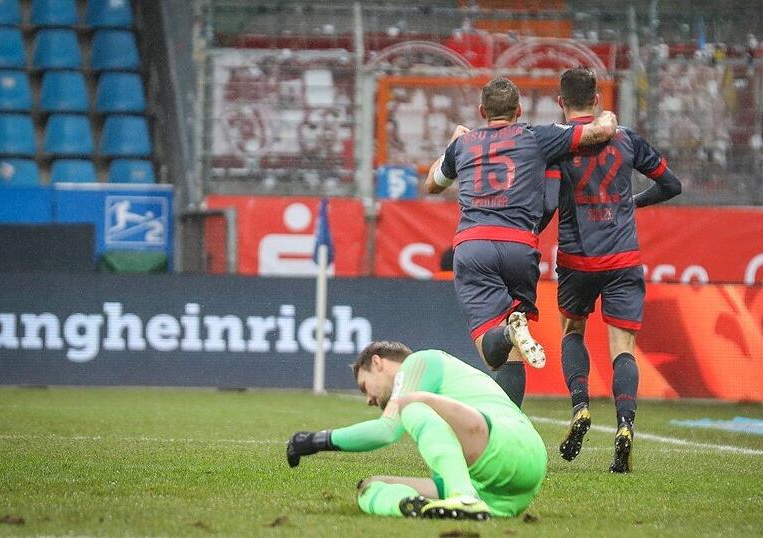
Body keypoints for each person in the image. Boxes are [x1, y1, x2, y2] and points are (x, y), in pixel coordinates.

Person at [423, 77, 618, 407]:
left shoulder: (464, 144)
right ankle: (509, 426)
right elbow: (599, 132)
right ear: (519, 109)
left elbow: (432, 184)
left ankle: (506, 333)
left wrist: (452, 143)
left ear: (482, 111)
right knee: (511, 357)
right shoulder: (538, 136)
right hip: (521, 248)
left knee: (494, 351)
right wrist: (609, 115)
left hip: (474, 246)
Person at [547, 67, 682, 473]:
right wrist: (631, 202)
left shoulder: (555, 142)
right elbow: (671, 185)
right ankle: (624, 426)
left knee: (572, 331)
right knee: (622, 349)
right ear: (598, 100)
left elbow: (547, 200)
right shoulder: (626, 139)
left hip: (576, 259)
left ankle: (581, 407)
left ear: (560, 102)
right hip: (623, 257)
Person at [285, 341, 547, 520]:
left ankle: (464, 497)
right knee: (370, 487)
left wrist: (316, 440)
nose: (368, 400)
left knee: (410, 405)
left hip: (507, 443)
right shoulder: (445, 395)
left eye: (365, 387)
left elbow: (386, 430)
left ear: (377, 362)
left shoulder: (420, 361)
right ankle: (420, 508)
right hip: (509, 492)